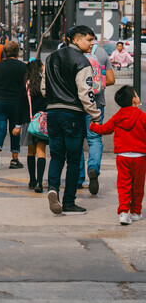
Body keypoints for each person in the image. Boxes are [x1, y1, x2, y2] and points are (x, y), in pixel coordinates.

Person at [44, 25, 101, 216]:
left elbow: (44, 87)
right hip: (73, 115)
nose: (92, 43)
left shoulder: (51, 58)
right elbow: (86, 93)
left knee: (57, 155)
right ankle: (69, 201)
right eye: (89, 39)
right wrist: (95, 115)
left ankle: (53, 189)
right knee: (74, 159)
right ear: (76, 40)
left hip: (53, 113)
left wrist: (53, 100)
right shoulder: (82, 61)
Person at [90, 86, 146, 225]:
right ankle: (136, 212)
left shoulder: (118, 116)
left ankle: (123, 212)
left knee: (124, 185)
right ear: (134, 99)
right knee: (138, 186)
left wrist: (93, 126)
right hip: (139, 157)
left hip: (122, 157)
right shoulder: (142, 116)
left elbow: (105, 129)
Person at [78, 42, 114, 196]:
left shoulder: (72, 53)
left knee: (77, 140)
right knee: (94, 138)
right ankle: (93, 168)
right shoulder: (101, 53)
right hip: (97, 103)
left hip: (77, 105)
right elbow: (111, 79)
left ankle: (79, 178)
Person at [0, 41, 26, 171]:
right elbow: (27, 87)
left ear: (5, 52)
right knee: (15, 130)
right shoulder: (23, 67)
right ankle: (14, 159)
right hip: (17, 103)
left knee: (0, 129)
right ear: (17, 53)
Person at [22, 60, 48, 193]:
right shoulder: (45, 84)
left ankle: (32, 180)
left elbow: (22, 105)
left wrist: (17, 124)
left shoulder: (26, 85)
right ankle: (40, 182)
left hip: (29, 121)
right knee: (41, 152)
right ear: (39, 68)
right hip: (42, 122)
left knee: (30, 152)